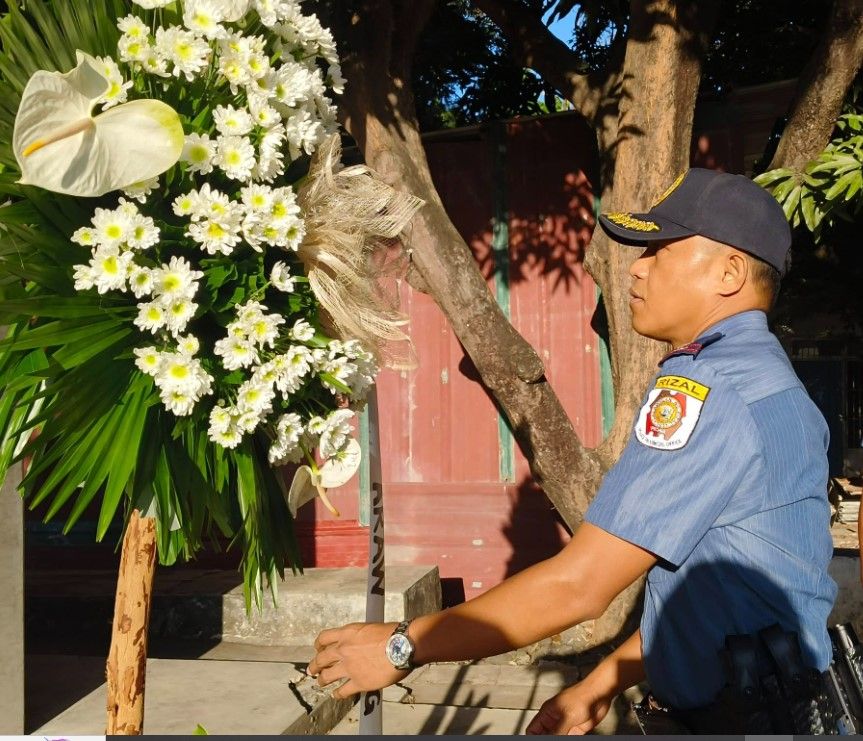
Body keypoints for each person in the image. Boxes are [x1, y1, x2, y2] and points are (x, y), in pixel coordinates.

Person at [308, 168, 838, 734]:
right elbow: (722, 598)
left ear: (730, 272)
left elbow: (579, 586)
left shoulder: (709, 392)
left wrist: (399, 648)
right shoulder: (777, 389)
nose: (637, 267)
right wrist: (603, 680)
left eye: (659, 251)